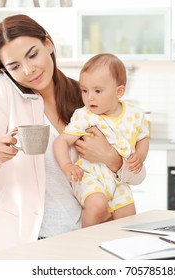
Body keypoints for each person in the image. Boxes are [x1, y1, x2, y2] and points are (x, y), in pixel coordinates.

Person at [0, 15, 131, 260]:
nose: (28, 70)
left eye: (32, 55)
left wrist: (111, 158)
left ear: (48, 44)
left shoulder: (83, 95)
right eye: (14, 66)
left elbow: (136, 173)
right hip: (25, 239)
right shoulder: (2, 91)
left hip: (81, 234)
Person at [54, 53, 150, 227]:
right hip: (90, 175)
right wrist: (67, 165)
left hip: (118, 180)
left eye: (97, 91)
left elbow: (143, 137)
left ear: (118, 91)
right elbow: (62, 141)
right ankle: (86, 243)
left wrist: (140, 157)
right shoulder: (85, 116)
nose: (89, 97)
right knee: (97, 205)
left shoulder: (135, 114)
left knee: (128, 215)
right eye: (84, 90)